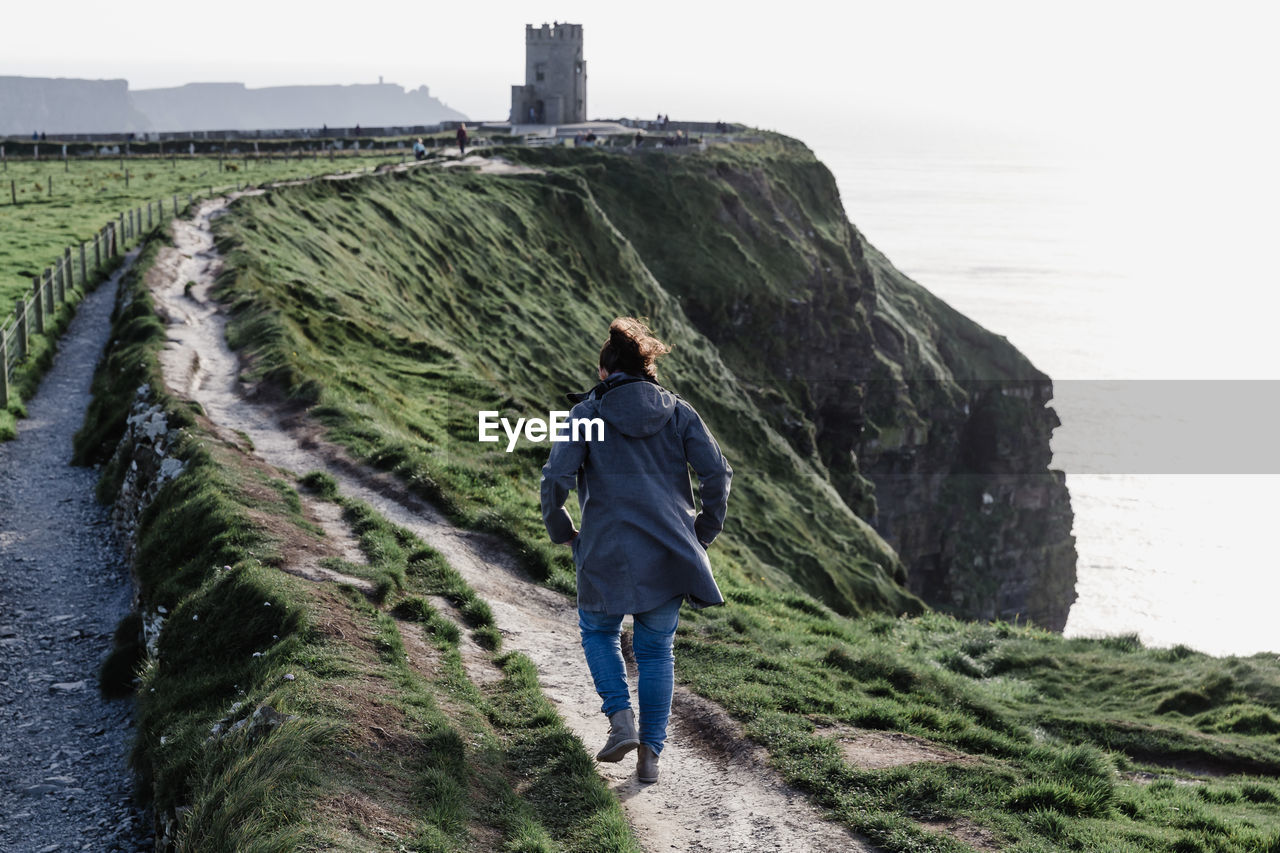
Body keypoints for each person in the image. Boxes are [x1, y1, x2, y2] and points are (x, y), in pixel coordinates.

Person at [540, 317, 732, 785]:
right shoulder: (680, 412)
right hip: (670, 548)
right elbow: (718, 476)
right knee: (656, 652)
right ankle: (651, 755)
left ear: (606, 373)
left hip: (604, 546)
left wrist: (562, 529)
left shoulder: (587, 415)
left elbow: (555, 479)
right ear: (647, 368)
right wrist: (701, 533)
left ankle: (620, 720)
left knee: (598, 630)